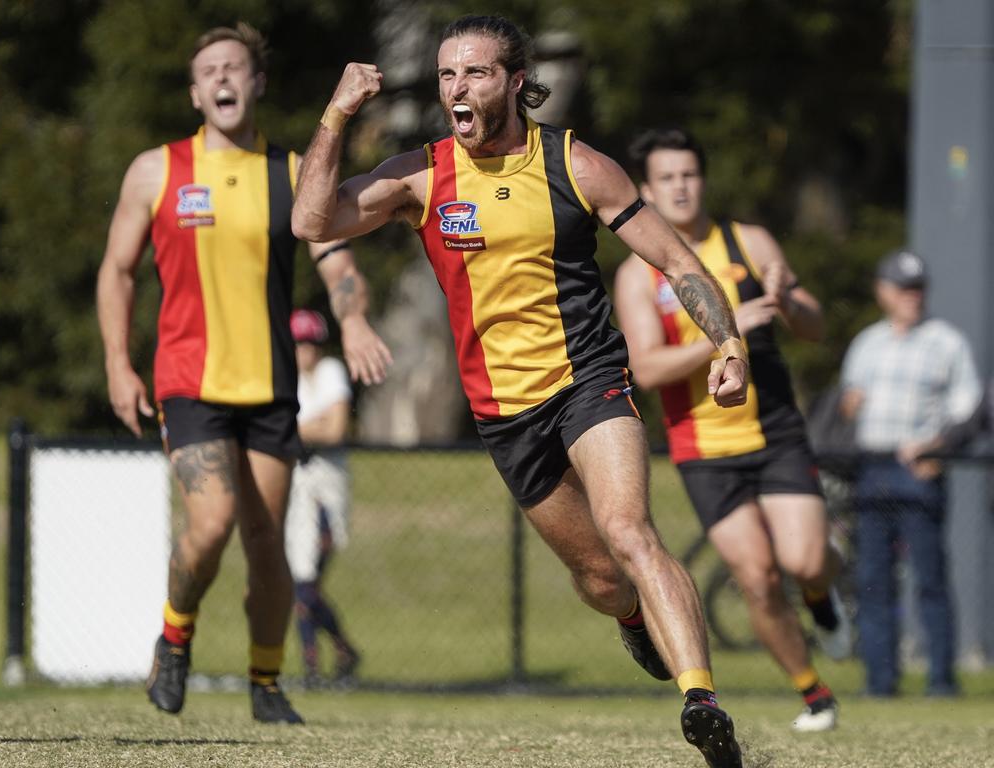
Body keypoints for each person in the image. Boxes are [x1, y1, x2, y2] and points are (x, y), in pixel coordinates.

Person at [292, 14, 749, 767]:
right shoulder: (423, 175)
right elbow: (312, 220)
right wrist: (338, 113)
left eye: (473, 73)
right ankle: (634, 617)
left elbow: (676, 257)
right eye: (446, 75)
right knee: (600, 577)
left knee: (630, 530)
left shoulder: (578, 165)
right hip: (503, 414)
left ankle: (701, 701)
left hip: (588, 381)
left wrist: (726, 341)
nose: (456, 89)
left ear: (514, 80)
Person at [95, 22, 390, 723]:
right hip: (188, 380)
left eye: (236, 66)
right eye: (210, 70)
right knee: (211, 521)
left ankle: (265, 683)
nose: (224, 77)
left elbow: (336, 260)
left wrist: (351, 318)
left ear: (256, 83)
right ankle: (175, 638)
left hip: (269, 389)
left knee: (268, 544)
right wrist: (116, 363)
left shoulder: (289, 173)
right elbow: (117, 271)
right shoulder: (155, 171)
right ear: (197, 93)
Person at [613, 127, 852, 733]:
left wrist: (788, 304)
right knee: (757, 577)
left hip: (774, 433)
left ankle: (823, 597)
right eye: (667, 178)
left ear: (703, 178)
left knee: (803, 561)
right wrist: (726, 329)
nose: (681, 187)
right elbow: (644, 367)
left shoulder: (748, 241)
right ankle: (814, 693)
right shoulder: (640, 273)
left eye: (689, 174)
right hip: (704, 449)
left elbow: (816, 326)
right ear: (646, 190)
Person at [839, 248, 981, 697]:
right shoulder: (867, 344)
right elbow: (846, 407)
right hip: (872, 468)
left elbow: (967, 410)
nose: (912, 297)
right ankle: (880, 682)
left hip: (917, 470)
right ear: (884, 292)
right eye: (903, 289)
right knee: (874, 580)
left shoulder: (947, 342)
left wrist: (937, 449)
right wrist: (849, 408)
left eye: (918, 289)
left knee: (930, 578)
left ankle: (941, 680)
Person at [285, 308, 361, 687]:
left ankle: (327, 661)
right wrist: (310, 426)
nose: (305, 350)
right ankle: (327, 660)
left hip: (326, 492)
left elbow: (334, 429)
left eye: (310, 342)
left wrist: (295, 429)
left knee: (307, 583)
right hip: (296, 491)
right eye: (299, 343)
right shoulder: (286, 377)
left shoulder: (331, 372)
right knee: (302, 582)